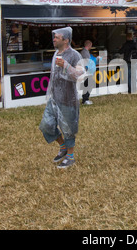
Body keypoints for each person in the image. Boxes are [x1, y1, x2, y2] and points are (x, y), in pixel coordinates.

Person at [39, 27, 86, 169]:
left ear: (66, 40)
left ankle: (70, 157)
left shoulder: (74, 55)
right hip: (54, 98)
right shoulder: (55, 54)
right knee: (46, 126)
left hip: (68, 99)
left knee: (68, 129)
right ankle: (63, 146)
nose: (53, 39)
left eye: (57, 37)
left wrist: (66, 66)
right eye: (54, 37)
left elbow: (81, 75)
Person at [80, 40, 95, 105]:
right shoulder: (85, 52)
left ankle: (85, 99)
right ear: (89, 45)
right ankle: (85, 99)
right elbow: (87, 62)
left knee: (88, 85)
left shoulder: (84, 52)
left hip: (87, 72)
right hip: (86, 72)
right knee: (88, 85)